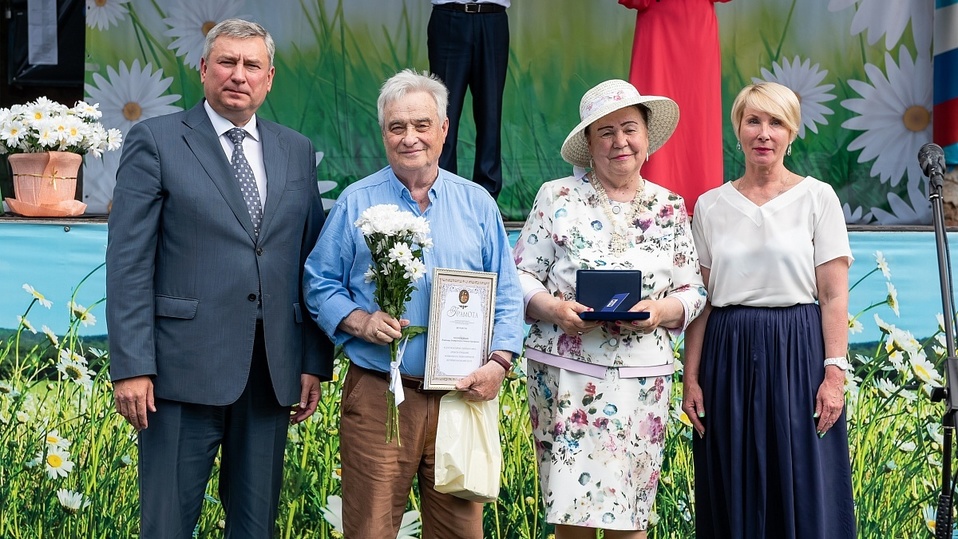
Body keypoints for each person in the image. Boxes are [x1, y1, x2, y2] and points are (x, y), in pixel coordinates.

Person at [107, 18, 334, 537]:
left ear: (270, 77)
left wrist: (312, 360)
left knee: (256, 529)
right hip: (178, 374)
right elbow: (128, 262)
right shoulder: (157, 140)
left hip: (270, 373)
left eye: (252, 65)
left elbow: (311, 261)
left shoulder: (295, 149)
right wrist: (132, 366)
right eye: (227, 62)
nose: (239, 75)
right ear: (204, 69)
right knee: (167, 525)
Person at [303, 68, 523, 539]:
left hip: (461, 397)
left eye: (422, 125)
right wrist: (359, 320)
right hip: (381, 393)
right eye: (397, 127)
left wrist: (500, 362)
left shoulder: (478, 204)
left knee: (459, 532)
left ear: (444, 129)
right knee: (371, 529)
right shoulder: (355, 201)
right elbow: (318, 281)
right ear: (383, 132)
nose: (410, 138)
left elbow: (506, 292)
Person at [513, 79, 707, 539]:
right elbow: (519, 275)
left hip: (641, 381)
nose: (620, 142)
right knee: (572, 518)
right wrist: (554, 308)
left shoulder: (670, 205)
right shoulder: (556, 197)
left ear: (645, 137)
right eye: (605, 132)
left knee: (632, 519)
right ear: (588, 143)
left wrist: (660, 312)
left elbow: (694, 291)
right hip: (566, 377)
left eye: (629, 129)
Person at [682, 81, 856, 538]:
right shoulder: (710, 205)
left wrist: (834, 373)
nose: (764, 132)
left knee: (803, 479)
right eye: (753, 120)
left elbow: (835, 294)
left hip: (798, 348)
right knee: (734, 477)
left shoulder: (818, 197)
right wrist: (691, 377)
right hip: (728, 352)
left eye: (775, 122)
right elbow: (700, 301)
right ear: (737, 128)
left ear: (792, 132)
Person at [619, 0, 731, 213]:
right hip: (657, 29)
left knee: (698, 114)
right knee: (653, 109)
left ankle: (700, 207)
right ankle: (650, 205)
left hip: (696, 28)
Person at [427, 0, 509, 198]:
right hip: (449, 16)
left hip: (492, 16)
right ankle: (441, 193)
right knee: (444, 112)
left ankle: (487, 197)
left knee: (490, 113)